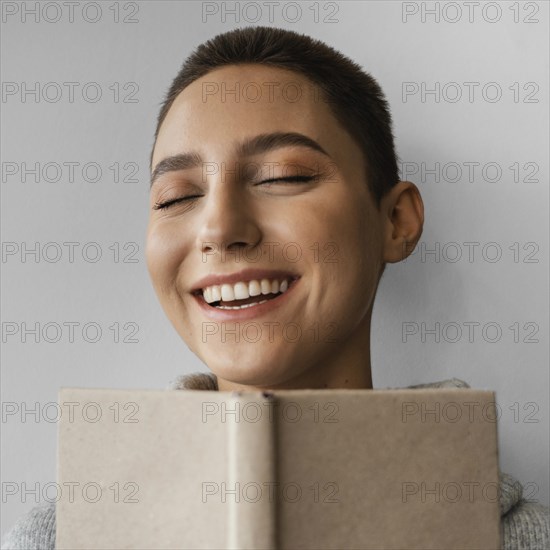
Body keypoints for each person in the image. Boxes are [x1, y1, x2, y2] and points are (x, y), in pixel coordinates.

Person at [2, 25, 548, 550]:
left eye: (283, 176)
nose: (218, 228)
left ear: (396, 221)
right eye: (174, 197)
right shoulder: (57, 537)